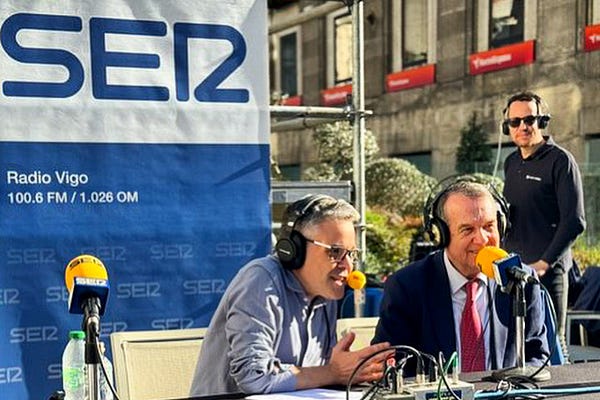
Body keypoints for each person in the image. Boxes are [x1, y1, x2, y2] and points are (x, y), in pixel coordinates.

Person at [189, 194, 391, 396]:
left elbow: (320, 376)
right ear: (294, 249)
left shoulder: (325, 293)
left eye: (352, 254)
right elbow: (254, 376)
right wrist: (333, 372)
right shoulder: (261, 280)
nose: (347, 265)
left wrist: (353, 371)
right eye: (335, 252)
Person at [372, 180, 549, 373]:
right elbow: (389, 365)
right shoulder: (406, 286)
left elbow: (537, 357)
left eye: (489, 226)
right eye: (468, 229)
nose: (482, 239)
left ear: (502, 226)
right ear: (441, 235)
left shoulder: (520, 280)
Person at [502, 91, 586, 352]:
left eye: (529, 119)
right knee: (515, 345)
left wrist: (544, 263)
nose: (523, 127)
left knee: (552, 346)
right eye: (515, 122)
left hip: (547, 273)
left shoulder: (561, 161)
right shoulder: (510, 162)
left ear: (542, 121)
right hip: (515, 273)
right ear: (507, 127)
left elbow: (575, 221)